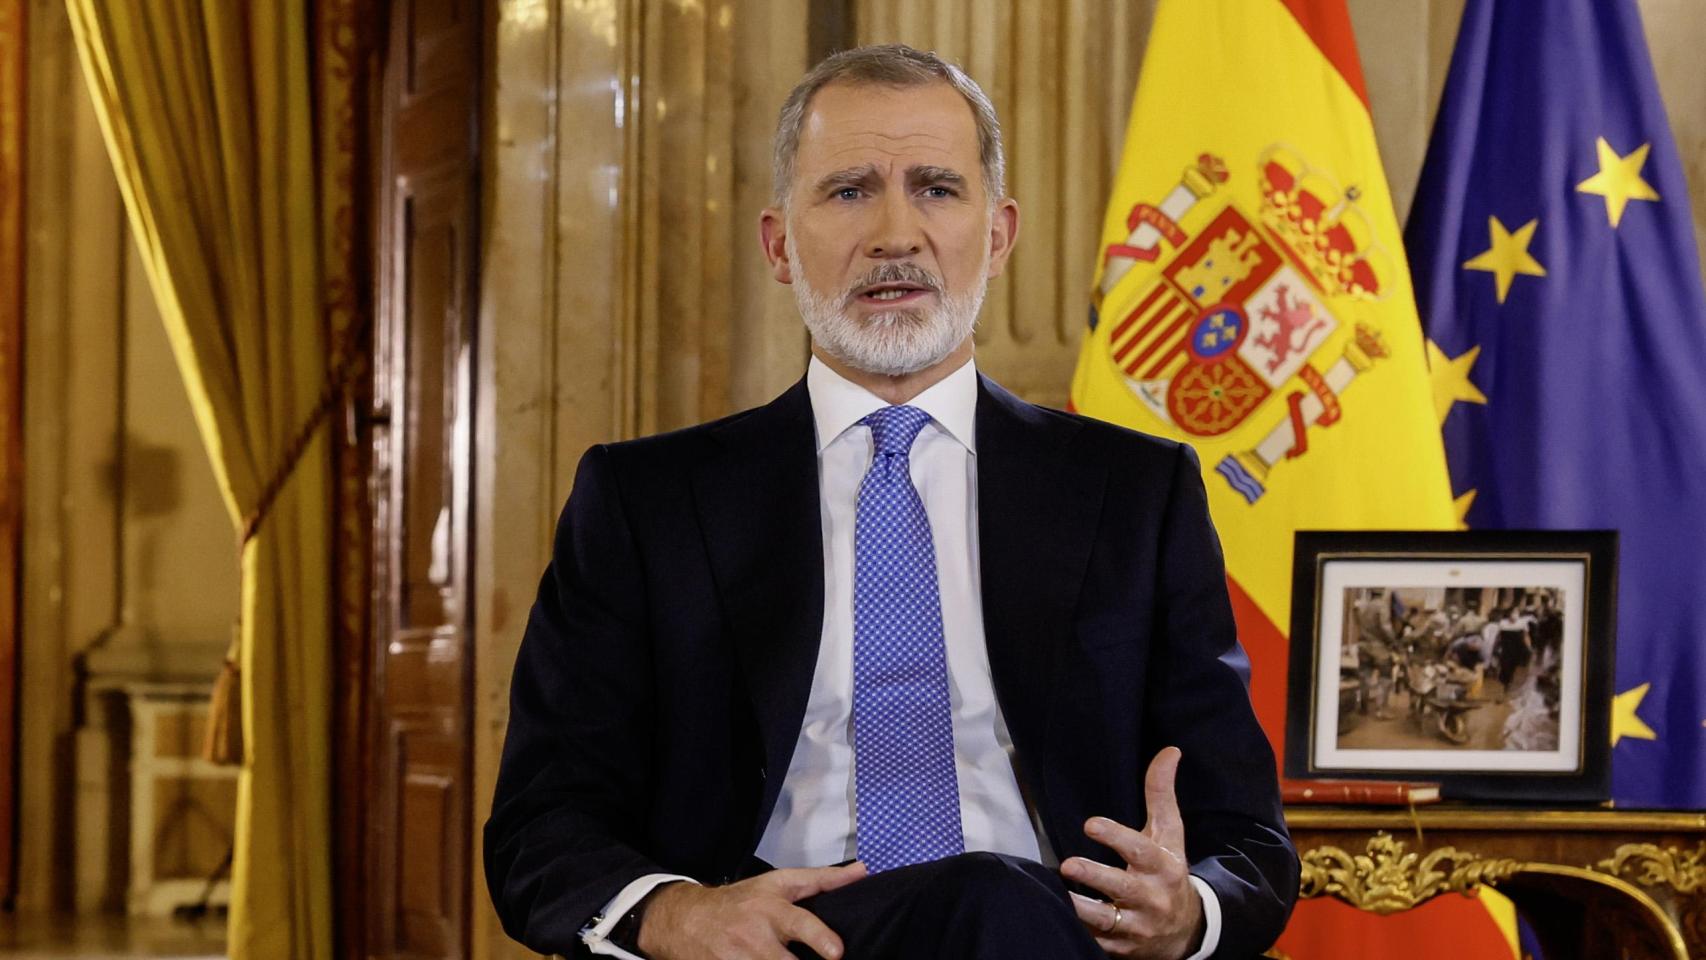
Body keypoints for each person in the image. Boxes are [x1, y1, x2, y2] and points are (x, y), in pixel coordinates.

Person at [483, 44, 1297, 960]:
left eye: (939, 189)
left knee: (993, 898)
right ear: (779, 244)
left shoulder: (1137, 494)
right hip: (772, 942)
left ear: (998, 235)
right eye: (849, 191)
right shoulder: (645, 502)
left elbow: (1250, 842)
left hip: (1050, 931)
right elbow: (540, 826)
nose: (896, 234)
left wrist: (1185, 912)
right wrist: (679, 915)